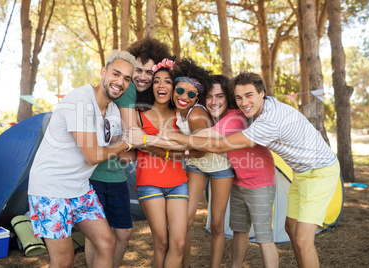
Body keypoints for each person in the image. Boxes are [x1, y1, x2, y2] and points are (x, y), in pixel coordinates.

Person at [126, 72, 340, 268]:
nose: (244, 102)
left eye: (249, 95)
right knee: (289, 229)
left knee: (291, 238)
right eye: (239, 97)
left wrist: (149, 139)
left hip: (316, 171)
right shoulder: (250, 111)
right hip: (288, 174)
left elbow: (212, 144)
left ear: (262, 93)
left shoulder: (262, 121)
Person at [27, 50, 137, 268]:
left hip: (79, 189)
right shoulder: (80, 100)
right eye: (116, 74)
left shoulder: (113, 111)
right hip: (51, 189)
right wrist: (128, 141)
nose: (120, 82)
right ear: (103, 72)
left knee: (107, 243)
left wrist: (156, 142)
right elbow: (94, 155)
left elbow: (121, 151)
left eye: (126, 79)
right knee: (63, 261)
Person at [87, 38, 173, 267]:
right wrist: (173, 146)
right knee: (100, 237)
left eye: (149, 72)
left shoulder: (142, 97)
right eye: (138, 70)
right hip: (96, 171)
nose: (143, 77)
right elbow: (132, 136)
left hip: (116, 175)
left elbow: (132, 147)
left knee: (121, 234)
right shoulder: (128, 90)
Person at [207, 75, 279, 267]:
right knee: (239, 230)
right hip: (239, 181)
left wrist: (158, 138)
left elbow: (202, 138)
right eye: (210, 97)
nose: (215, 101)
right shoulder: (226, 116)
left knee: (264, 237)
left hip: (260, 181)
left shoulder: (234, 118)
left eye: (220, 96)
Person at [169, 62, 234, 268]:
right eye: (179, 90)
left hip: (220, 166)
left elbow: (202, 147)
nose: (184, 96)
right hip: (196, 165)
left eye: (190, 93)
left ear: (196, 97)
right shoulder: (180, 108)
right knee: (185, 221)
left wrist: (172, 151)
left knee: (216, 224)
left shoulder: (196, 114)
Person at [134, 59, 189, 268]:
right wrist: (173, 147)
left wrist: (158, 146)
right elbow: (137, 146)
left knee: (179, 243)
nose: (161, 85)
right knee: (162, 241)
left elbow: (188, 152)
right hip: (149, 182)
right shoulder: (139, 116)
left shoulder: (181, 117)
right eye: (156, 81)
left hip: (178, 181)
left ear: (174, 88)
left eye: (167, 81)